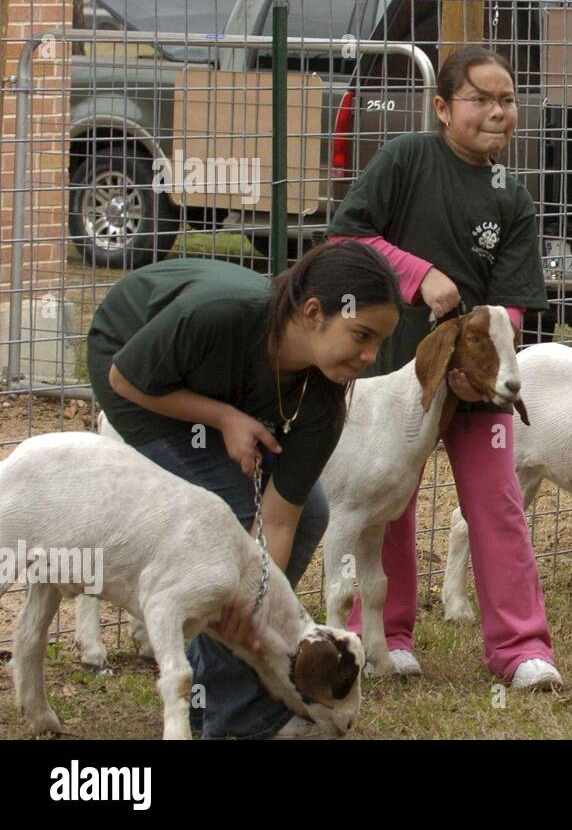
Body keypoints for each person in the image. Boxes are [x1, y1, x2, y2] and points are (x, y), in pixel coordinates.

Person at [86, 240, 402, 738]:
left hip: (213, 394)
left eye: (380, 341)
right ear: (314, 312)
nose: (370, 355)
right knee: (227, 518)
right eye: (361, 335)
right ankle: (238, 718)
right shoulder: (222, 315)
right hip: (138, 377)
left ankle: (205, 697)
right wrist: (223, 417)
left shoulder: (325, 396)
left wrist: (249, 605)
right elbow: (125, 377)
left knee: (312, 515)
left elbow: (279, 519)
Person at [327, 46, 561, 689]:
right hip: (393, 373)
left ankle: (521, 649)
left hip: (478, 382)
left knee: (497, 500)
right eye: (479, 99)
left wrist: (485, 347)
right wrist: (419, 273)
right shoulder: (405, 159)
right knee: (387, 504)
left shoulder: (512, 196)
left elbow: (515, 306)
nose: (496, 111)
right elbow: (345, 236)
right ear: (441, 106)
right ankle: (389, 636)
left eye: (507, 99)